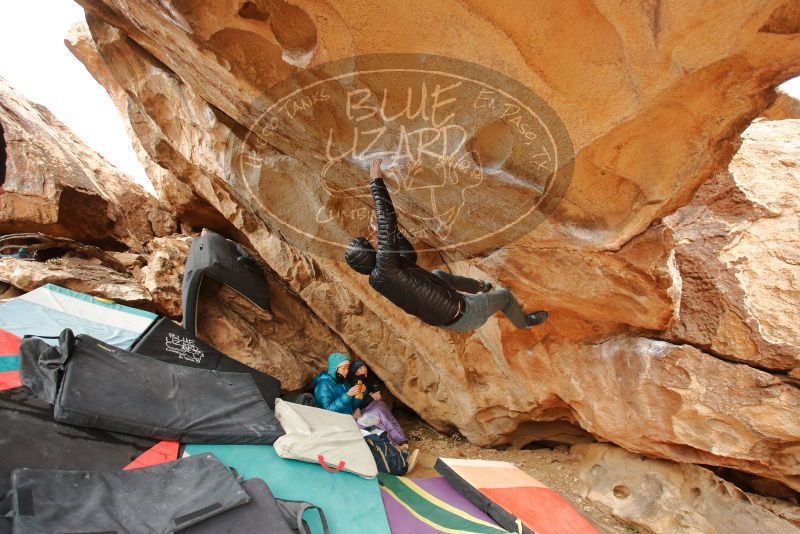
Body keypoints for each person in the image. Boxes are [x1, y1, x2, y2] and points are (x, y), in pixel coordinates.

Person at [344, 159, 548, 332]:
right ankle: (524, 323)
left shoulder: (377, 279)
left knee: (439, 276)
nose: (373, 241)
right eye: (371, 243)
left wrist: (390, 237)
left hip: (444, 321)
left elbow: (409, 256)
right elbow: (387, 219)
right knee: (505, 296)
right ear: (371, 253)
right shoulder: (385, 266)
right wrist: (375, 181)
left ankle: (480, 286)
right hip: (466, 314)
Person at [314, 353, 418, 472]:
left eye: (347, 368)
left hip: (349, 420)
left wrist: (360, 394)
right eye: (343, 368)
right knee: (372, 439)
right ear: (334, 368)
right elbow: (327, 410)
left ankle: (397, 453)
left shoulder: (343, 383)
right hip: (337, 426)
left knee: (378, 432)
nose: (346, 371)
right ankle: (399, 466)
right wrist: (347, 395)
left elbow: (352, 405)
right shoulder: (323, 386)